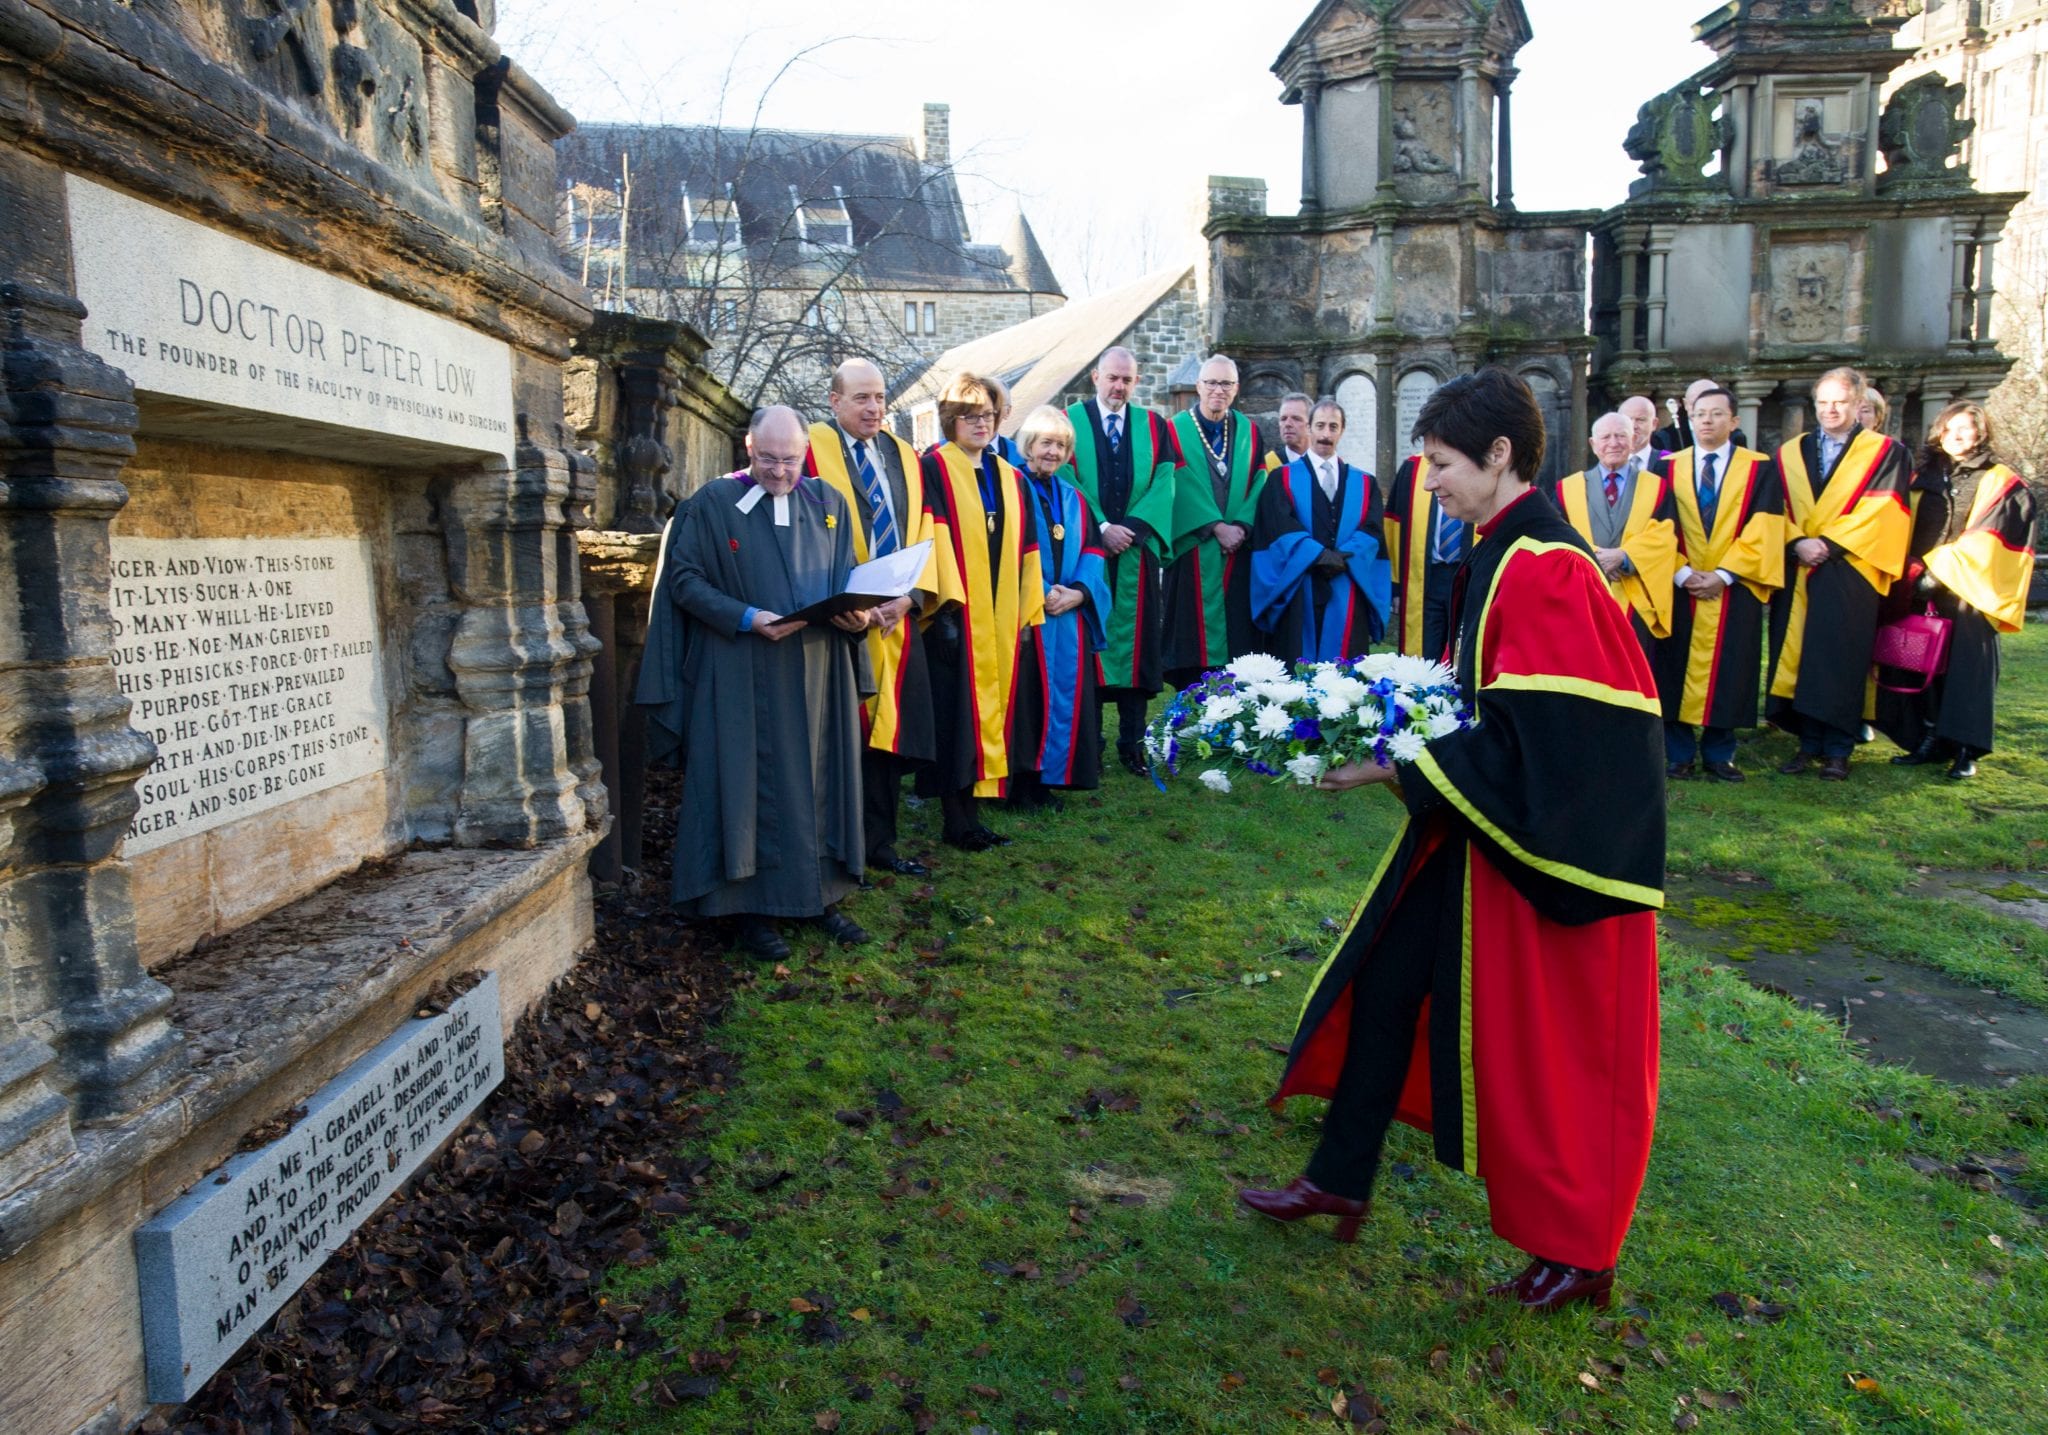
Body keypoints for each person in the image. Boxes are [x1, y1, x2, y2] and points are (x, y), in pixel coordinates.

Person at [1240, 366, 1663, 1316]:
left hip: (1547, 853)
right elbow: (1494, 704)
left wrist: (1398, 763)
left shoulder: (1548, 566)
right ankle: (1340, 1175)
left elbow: (1551, 742)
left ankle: (1580, 1253)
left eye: (1438, 464)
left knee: (1560, 1051)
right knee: (1387, 979)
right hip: (1486, 826)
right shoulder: (1502, 549)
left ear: (1499, 454)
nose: (1425, 483)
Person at [635, 406, 877, 959]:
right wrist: (748, 617)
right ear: (748, 446)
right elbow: (685, 581)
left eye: (791, 460)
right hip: (741, 670)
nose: (780, 472)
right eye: (768, 458)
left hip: (819, 672)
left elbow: (849, 580)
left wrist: (858, 617)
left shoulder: (829, 503)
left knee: (820, 780)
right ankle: (751, 911)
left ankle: (823, 897)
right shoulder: (711, 506)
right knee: (749, 787)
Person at [805, 359, 939, 877]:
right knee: (842, 739)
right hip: (840, 623)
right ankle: (834, 847)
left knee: (888, 740)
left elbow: (928, 530)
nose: (874, 408)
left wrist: (912, 597)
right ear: (834, 400)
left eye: (881, 398)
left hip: (896, 619)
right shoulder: (811, 448)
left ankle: (880, 844)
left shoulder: (903, 454)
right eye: (862, 398)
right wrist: (844, 602)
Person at [1766, 367, 1912, 780]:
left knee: (1839, 658)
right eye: (1823, 402)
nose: (1830, 409)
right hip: (1799, 564)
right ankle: (1807, 743)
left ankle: (1837, 748)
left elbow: (1884, 509)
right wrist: (1797, 542)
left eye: (1840, 402)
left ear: (1857, 403)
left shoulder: (1886, 453)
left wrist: (1826, 544)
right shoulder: (1791, 451)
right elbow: (1772, 508)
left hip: (1849, 567)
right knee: (1799, 655)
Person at [921, 372, 1046, 849]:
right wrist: (947, 613)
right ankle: (956, 821)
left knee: (993, 717)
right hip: (957, 618)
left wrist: (1028, 613)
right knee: (956, 720)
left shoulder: (1010, 477)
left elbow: (1030, 549)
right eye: (970, 416)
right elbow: (931, 537)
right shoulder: (933, 469)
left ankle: (976, 819)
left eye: (988, 416)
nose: (980, 424)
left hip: (1001, 618)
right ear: (952, 419)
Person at [1879, 401, 2037, 780]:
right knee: (1921, 664)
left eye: (1965, 429)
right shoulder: (1922, 477)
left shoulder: (2001, 482)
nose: (1956, 437)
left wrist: (1939, 571)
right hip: (1920, 586)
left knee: (1967, 672)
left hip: (1972, 593)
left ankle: (1967, 748)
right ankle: (1929, 738)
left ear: (1981, 433)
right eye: (1949, 429)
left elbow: (1991, 539)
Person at [1063, 347, 1187, 776]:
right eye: (1112, 378)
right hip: (1088, 553)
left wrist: (1130, 526)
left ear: (1136, 382)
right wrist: (1101, 526)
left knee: (1137, 654)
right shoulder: (1070, 424)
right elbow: (1064, 477)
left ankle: (1132, 745)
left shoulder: (1154, 426)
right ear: (1095, 376)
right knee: (1091, 647)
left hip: (1135, 552)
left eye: (1127, 380)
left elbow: (1166, 478)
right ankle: (1090, 743)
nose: (1118, 386)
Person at [1653, 387, 1786, 781]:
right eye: (1699, 414)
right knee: (1673, 666)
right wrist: (1681, 572)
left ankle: (1719, 753)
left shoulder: (1760, 468)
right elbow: (1657, 528)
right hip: (1680, 585)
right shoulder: (1667, 468)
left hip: (1734, 586)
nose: (1706, 421)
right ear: (1689, 419)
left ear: (1734, 421)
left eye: (1715, 414)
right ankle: (1678, 754)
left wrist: (1724, 574)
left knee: (1731, 669)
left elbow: (1765, 527)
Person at [1007, 406, 1112, 807]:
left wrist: (1080, 593)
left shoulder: (1074, 497)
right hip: (1026, 616)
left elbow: (1092, 549)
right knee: (1026, 701)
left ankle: (1051, 778)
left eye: (1062, 445)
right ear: (1029, 445)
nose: (1053, 452)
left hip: (1065, 616)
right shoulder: (1010, 488)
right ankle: (1020, 785)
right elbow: (1007, 552)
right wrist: (1044, 589)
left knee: (1061, 695)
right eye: (1046, 443)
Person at [1162, 355, 1279, 687]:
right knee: (1192, 643)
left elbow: (1259, 480)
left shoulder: (1249, 432)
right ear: (1198, 386)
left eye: (1226, 383)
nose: (1218, 389)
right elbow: (1175, 481)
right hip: (1193, 552)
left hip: (1237, 553)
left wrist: (1241, 526)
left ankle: (1236, 708)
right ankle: (1191, 703)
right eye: (1211, 382)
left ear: (1236, 388)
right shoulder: (1173, 430)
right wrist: (1215, 526)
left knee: (1238, 643)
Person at [1249, 397, 1392, 662]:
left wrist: (1342, 557)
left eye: (1333, 427)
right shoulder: (1282, 478)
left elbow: (1372, 529)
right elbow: (1278, 525)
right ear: (1310, 429)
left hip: (1347, 579)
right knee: (1296, 666)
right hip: (1299, 583)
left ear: (1342, 431)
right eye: (1321, 425)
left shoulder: (1365, 483)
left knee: (1345, 670)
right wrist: (1317, 555)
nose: (1326, 434)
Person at [1551, 412, 1679, 659]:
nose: (1613, 443)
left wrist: (1624, 555)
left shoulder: (1656, 487)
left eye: (1621, 436)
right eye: (1606, 436)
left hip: (1635, 596)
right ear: (1593, 444)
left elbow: (1664, 537)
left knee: (1632, 668)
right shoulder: (1568, 488)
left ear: (1633, 441)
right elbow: (1557, 536)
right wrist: (1594, 557)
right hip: (1582, 594)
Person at [1384, 449, 1469, 659]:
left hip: (1468, 576)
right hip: (1424, 579)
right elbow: (1393, 525)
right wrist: (1395, 585)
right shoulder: (1413, 469)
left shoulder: (1475, 465)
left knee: (1463, 649)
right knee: (1425, 652)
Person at [1267, 391, 1312, 470]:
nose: (1287, 424)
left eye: (1296, 419)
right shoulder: (1268, 465)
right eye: (1283, 419)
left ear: (1311, 424)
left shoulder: (1325, 465)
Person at [1621, 394, 1664, 473]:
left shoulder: (1668, 461)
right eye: (1628, 420)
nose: (1633, 426)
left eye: (1640, 420)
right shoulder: (1609, 464)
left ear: (1654, 424)